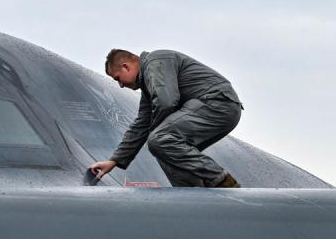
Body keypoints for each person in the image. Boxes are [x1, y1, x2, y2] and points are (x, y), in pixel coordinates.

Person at [89, 49, 243, 188]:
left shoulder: (155, 62)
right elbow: (141, 124)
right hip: (217, 108)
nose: (120, 85)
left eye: (118, 78)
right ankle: (193, 197)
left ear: (126, 67)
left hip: (217, 103)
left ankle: (221, 180)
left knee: (160, 139)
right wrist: (114, 161)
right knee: (164, 151)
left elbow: (166, 102)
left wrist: (155, 134)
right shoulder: (148, 86)